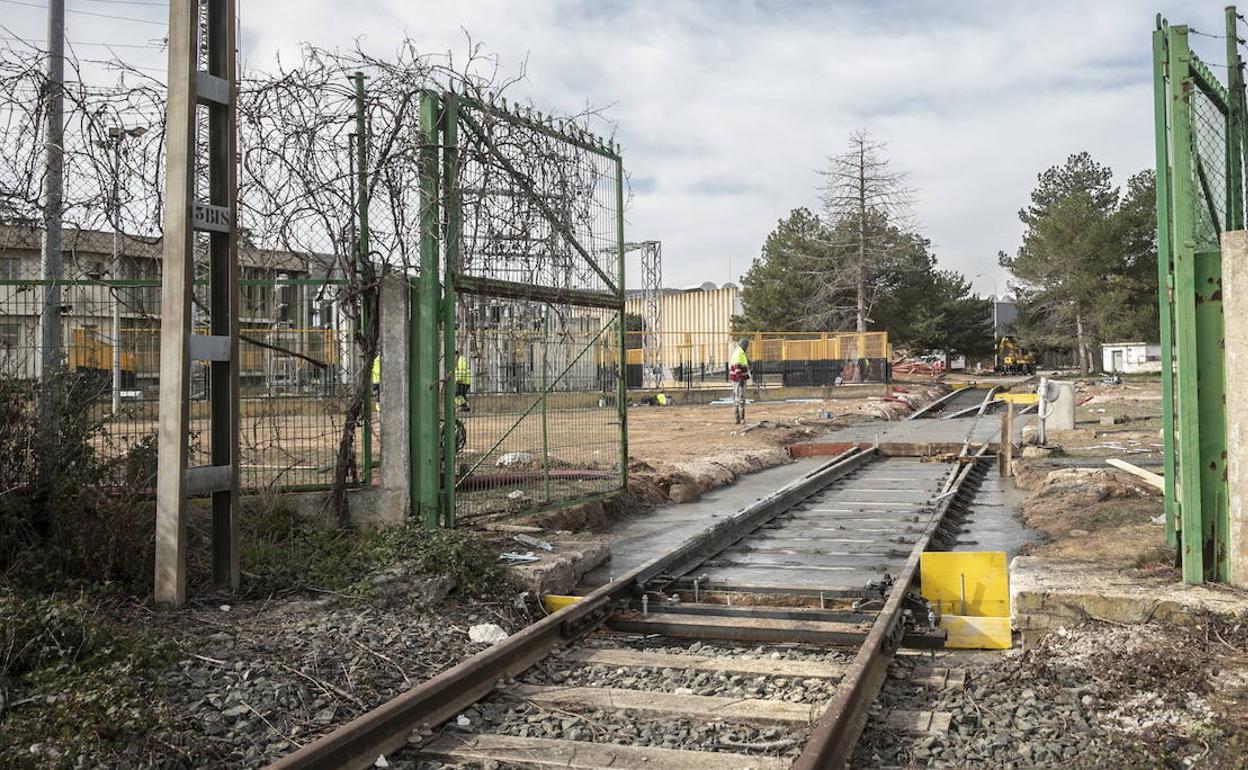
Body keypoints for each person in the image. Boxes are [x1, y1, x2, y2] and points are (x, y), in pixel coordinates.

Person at [728, 338, 750, 424]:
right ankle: (741, 418)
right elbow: (737, 368)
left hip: (738, 379)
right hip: (738, 380)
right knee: (740, 399)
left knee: (738, 398)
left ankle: (739, 418)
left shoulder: (740, 352)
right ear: (743, 345)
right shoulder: (739, 353)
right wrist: (740, 379)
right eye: (746, 345)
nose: (747, 347)